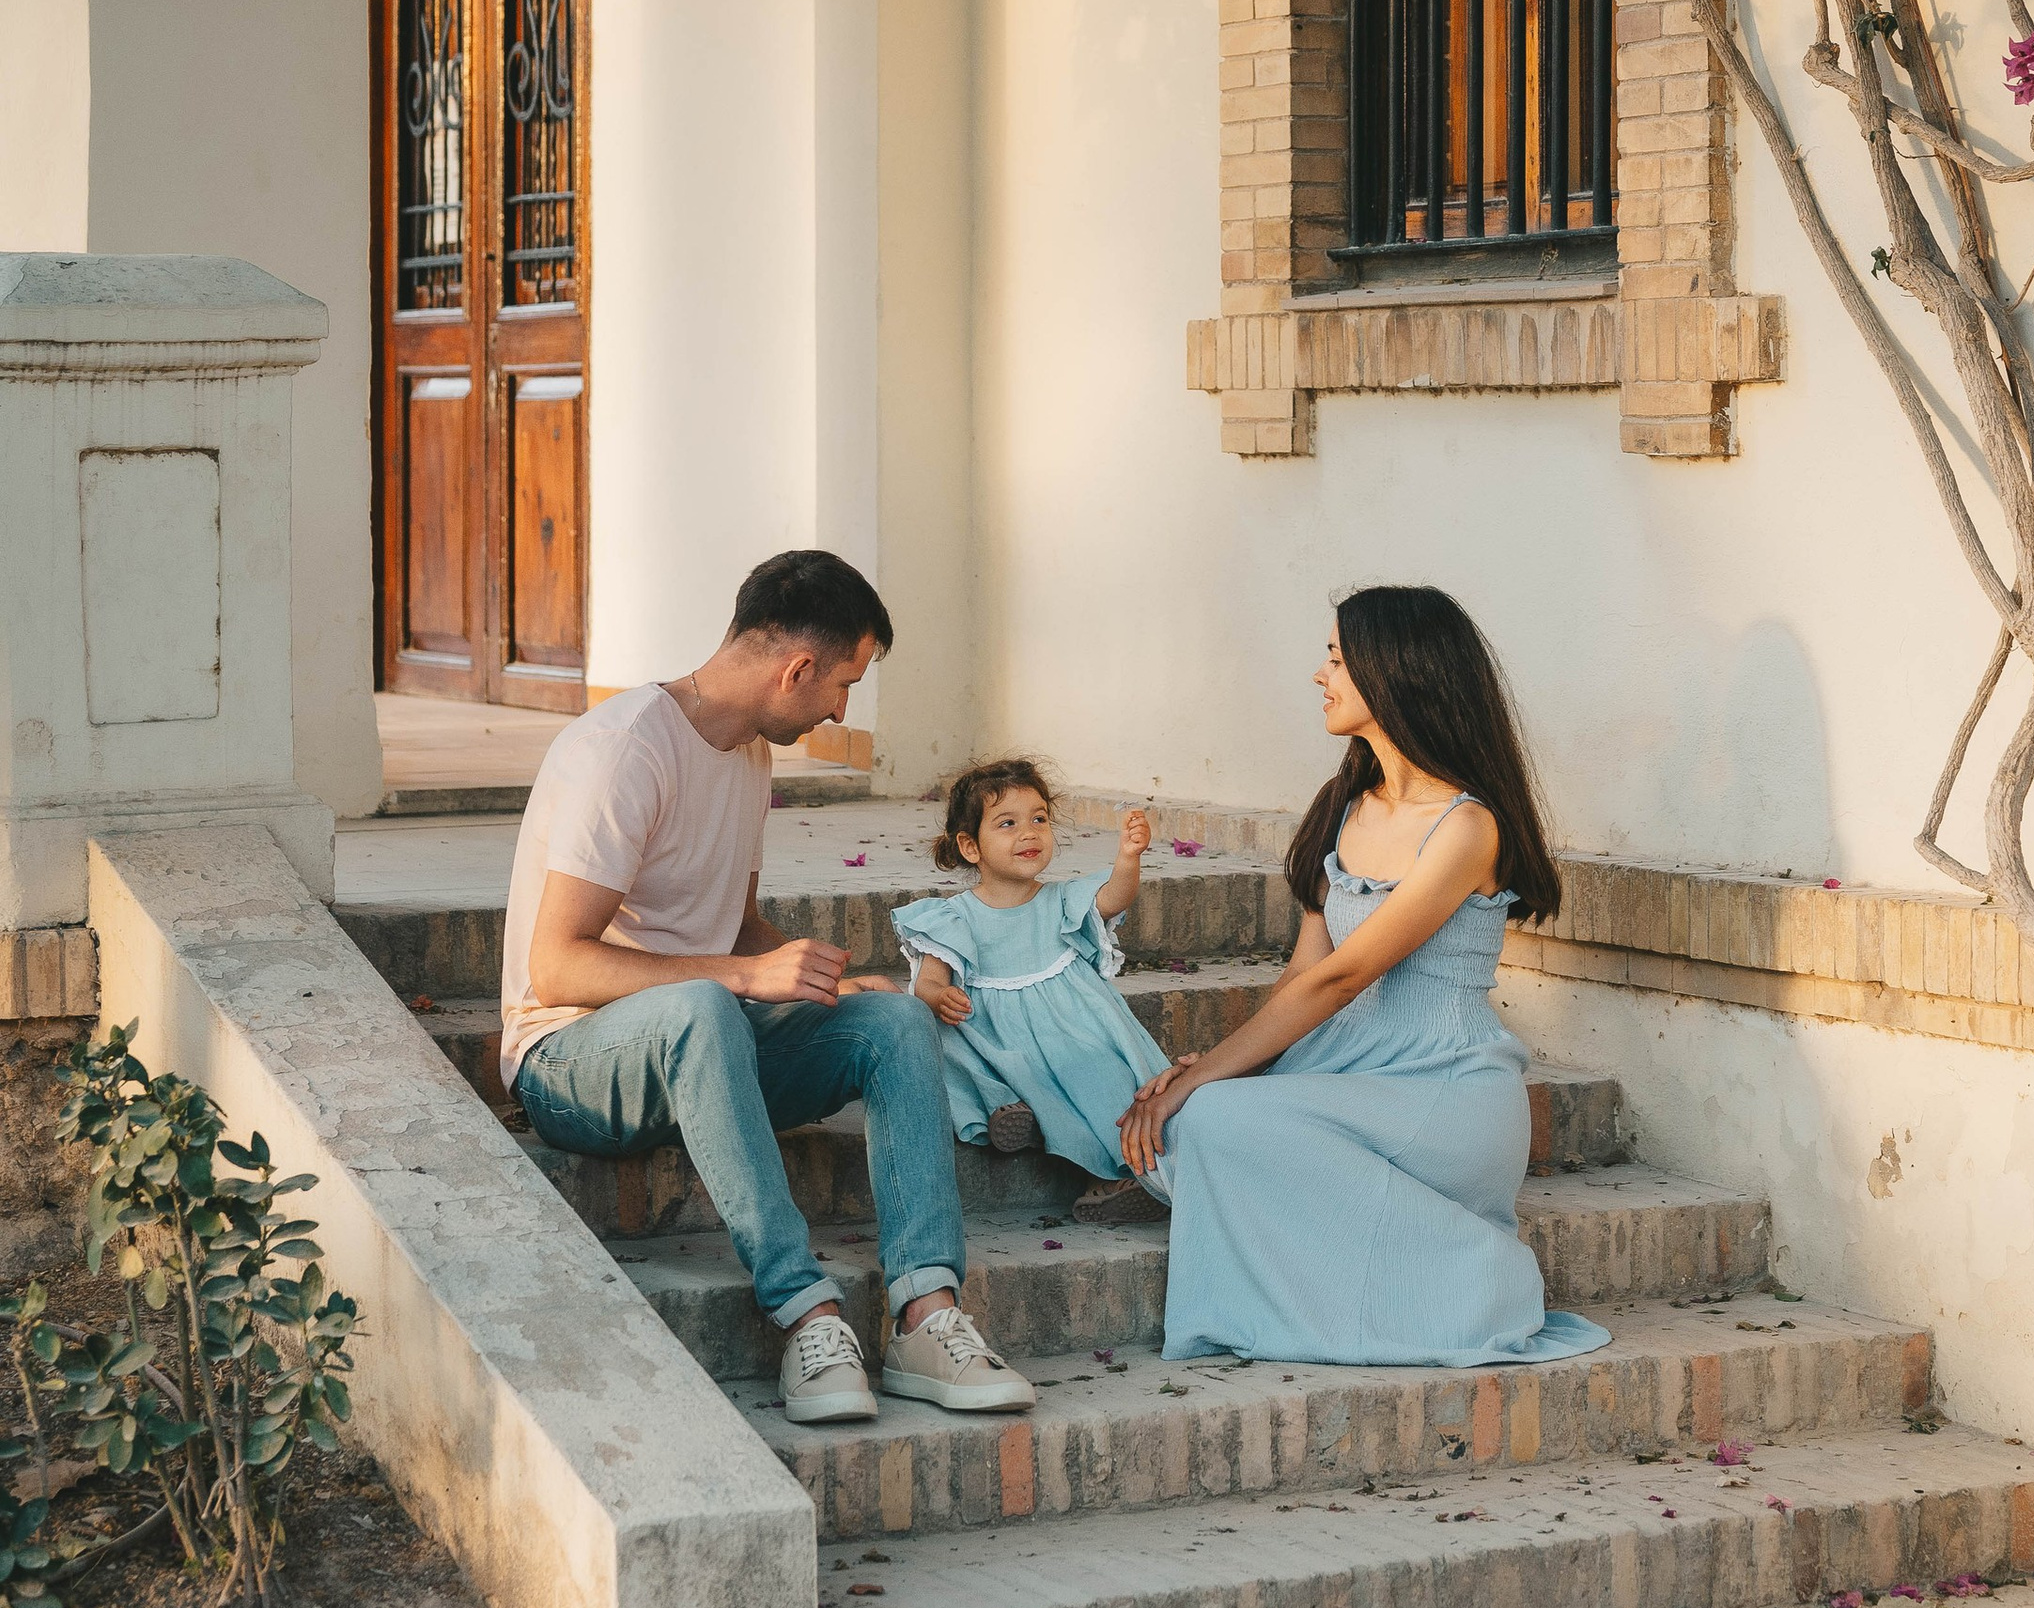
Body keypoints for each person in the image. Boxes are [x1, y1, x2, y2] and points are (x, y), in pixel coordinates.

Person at [500, 548, 1034, 1428]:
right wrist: (745, 977)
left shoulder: (749, 756)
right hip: (571, 1057)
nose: (840, 708)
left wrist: (818, 976)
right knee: (706, 1006)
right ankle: (807, 1316)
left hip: (704, 1044)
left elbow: (735, 926)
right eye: (842, 685)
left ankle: (926, 1318)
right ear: (798, 668)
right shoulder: (626, 749)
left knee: (894, 1022)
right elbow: (556, 963)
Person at [1118, 584, 1608, 1370]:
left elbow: (1342, 978)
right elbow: (1302, 975)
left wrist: (1206, 1077)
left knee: (1207, 1117)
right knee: (1195, 1112)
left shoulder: (1468, 827)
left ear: (1396, 672)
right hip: (1350, 1067)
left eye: (1338, 657)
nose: (1320, 674)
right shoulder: (1344, 803)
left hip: (1443, 1086)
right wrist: (1215, 1069)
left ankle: (1473, 1283)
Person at [892, 762, 1171, 1180]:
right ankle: (1004, 1107)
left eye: (1039, 819)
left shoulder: (1061, 899)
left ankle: (1127, 1172)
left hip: (1068, 1028)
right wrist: (936, 995)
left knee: (1097, 1074)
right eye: (1008, 823)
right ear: (971, 847)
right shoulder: (952, 918)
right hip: (993, 1036)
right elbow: (930, 978)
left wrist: (1128, 858)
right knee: (939, 1042)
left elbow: (1113, 898)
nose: (1029, 833)